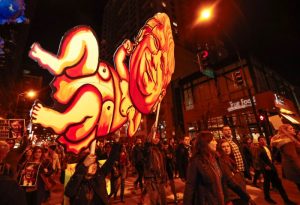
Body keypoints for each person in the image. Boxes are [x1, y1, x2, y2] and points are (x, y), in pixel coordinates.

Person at [183, 131, 255, 205]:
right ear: (205, 143)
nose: (216, 143)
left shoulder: (217, 159)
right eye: (213, 140)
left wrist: (247, 198)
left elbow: (230, 181)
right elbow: (190, 187)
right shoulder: (196, 162)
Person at [64, 137, 121, 205]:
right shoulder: (78, 180)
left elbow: (111, 159)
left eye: (95, 163)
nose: (94, 166)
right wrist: (83, 166)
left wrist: (117, 141)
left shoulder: (100, 175)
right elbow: (69, 192)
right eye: (91, 164)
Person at [258, 136, 296, 205]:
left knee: (279, 184)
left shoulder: (268, 147)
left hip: (272, 168)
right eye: (261, 140)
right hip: (266, 170)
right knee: (266, 184)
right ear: (259, 142)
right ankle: (267, 197)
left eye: (263, 139)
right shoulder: (258, 149)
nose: (263, 141)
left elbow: (272, 156)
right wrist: (265, 166)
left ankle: (286, 200)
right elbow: (257, 159)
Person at [218, 139, 248, 205]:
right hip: (234, 194)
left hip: (239, 191)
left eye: (228, 146)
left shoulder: (230, 158)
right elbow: (227, 180)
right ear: (220, 148)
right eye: (223, 147)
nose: (226, 148)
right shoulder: (222, 160)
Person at [271, 124, 300, 191]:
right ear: (285, 131)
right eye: (290, 129)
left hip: (293, 168)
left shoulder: (291, 139)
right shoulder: (287, 142)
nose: (293, 130)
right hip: (296, 169)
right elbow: (293, 158)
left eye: (293, 128)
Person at [142, 129, 167, 205]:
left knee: (163, 200)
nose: (156, 139)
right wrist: (151, 131)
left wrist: (165, 175)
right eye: (155, 137)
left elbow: (162, 165)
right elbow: (146, 145)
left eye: (158, 138)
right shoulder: (148, 149)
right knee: (155, 201)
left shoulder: (160, 150)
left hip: (160, 178)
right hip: (151, 178)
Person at [0, 140, 27, 205]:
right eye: (9, 142)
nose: (10, 144)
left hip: (10, 177)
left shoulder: (16, 151)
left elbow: (24, 145)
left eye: (11, 142)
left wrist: (25, 137)